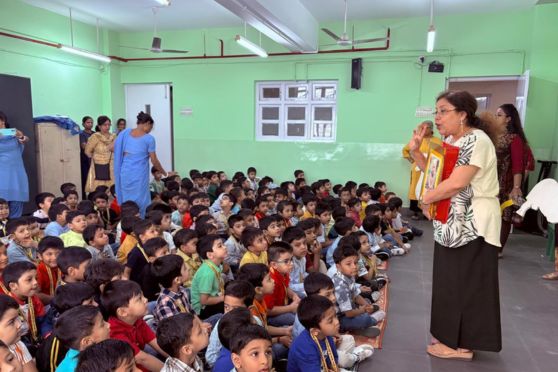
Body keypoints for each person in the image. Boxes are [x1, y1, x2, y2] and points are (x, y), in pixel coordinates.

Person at [407, 90, 502, 360]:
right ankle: (451, 336)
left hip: (473, 222)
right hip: (451, 220)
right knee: (450, 282)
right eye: (436, 111)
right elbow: (437, 176)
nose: (437, 117)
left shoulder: (477, 140)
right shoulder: (449, 140)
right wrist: (416, 152)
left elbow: (458, 182)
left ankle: (463, 345)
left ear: (462, 114)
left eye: (443, 111)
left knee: (467, 283)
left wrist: (426, 198)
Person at [114, 112, 169, 217]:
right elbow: (154, 160)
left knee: (127, 200)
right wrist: (165, 173)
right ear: (147, 123)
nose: (150, 130)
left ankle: (127, 222)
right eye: (151, 127)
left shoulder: (124, 133)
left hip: (125, 173)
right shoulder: (149, 139)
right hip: (139, 175)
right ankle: (141, 222)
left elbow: (112, 147)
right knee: (141, 201)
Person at [495, 104, 531, 257]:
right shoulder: (494, 136)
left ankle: (498, 250)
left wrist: (516, 187)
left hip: (506, 184)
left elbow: (518, 165)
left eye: (499, 115)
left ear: (508, 119)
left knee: (505, 216)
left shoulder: (514, 139)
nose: (496, 117)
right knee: (491, 215)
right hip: (491, 182)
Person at [402, 120, 443, 220]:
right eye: (421, 127)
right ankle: (415, 212)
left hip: (431, 169)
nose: (422, 130)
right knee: (415, 188)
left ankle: (427, 211)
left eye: (425, 128)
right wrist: (413, 159)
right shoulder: (417, 139)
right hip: (417, 169)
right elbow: (406, 150)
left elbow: (440, 155)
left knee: (428, 188)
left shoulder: (437, 141)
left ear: (430, 129)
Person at [287, 295, 339, 372]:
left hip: (322, 367)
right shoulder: (304, 348)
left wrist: (335, 368)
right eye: (330, 321)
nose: (337, 322)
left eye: (335, 316)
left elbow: (333, 360)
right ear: (315, 331)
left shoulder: (325, 334)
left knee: (349, 340)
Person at [53, 305, 110, 372]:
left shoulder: (78, 349)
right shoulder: (82, 368)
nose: (108, 325)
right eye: (102, 325)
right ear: (87, 341)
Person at [0, 111, 29, 218]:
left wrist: (20, 136)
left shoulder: (13, 134)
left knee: (17, 203)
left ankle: (15, 230)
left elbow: (24, 138)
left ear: (2, 121)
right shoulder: (11, 132)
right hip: (2, 176)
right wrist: (11, 132)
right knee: (2, 205)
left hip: (17, 175)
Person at [84, 116, 116, 194]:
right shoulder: (95, 137)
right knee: (98, 189)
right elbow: (87, 151)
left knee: (111, 189)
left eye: (109, 125)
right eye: (105, 125)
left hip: (111, 165)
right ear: (99, 126)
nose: (107, 127)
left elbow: (117, 150)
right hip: (98, 166)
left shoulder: (114, 137)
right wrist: (96, 157)